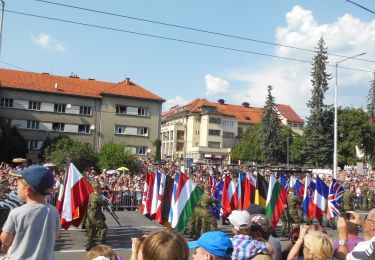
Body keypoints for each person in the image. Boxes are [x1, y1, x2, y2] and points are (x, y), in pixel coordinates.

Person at [0, 165, 60, 259]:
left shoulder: (16, 212)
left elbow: (5, 239)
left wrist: (5, 245)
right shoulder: (53, 211)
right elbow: (56, 235)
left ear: (27, 191)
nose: (16, 188)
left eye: (18, 186)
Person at [86, 181, 109, 251]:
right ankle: (102, 241)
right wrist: (106, 200)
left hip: (90, 214)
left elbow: (89, 204)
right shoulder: (97, 196)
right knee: (104, 227)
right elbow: (105, 203)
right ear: (97, 189)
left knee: (92, 228)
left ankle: (89, 244)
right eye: (99, 188)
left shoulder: (91, 195)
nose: (100, 190)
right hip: (95, 215)